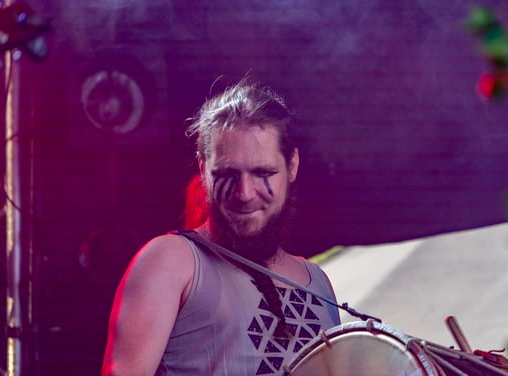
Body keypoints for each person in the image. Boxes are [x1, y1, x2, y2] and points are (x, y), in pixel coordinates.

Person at [101, 77, 341, 376]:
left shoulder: (318, 282)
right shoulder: (171, 260)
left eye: (263, 172)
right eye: (227, 174)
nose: (245, 193)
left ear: (292, 166)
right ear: (203, 169)